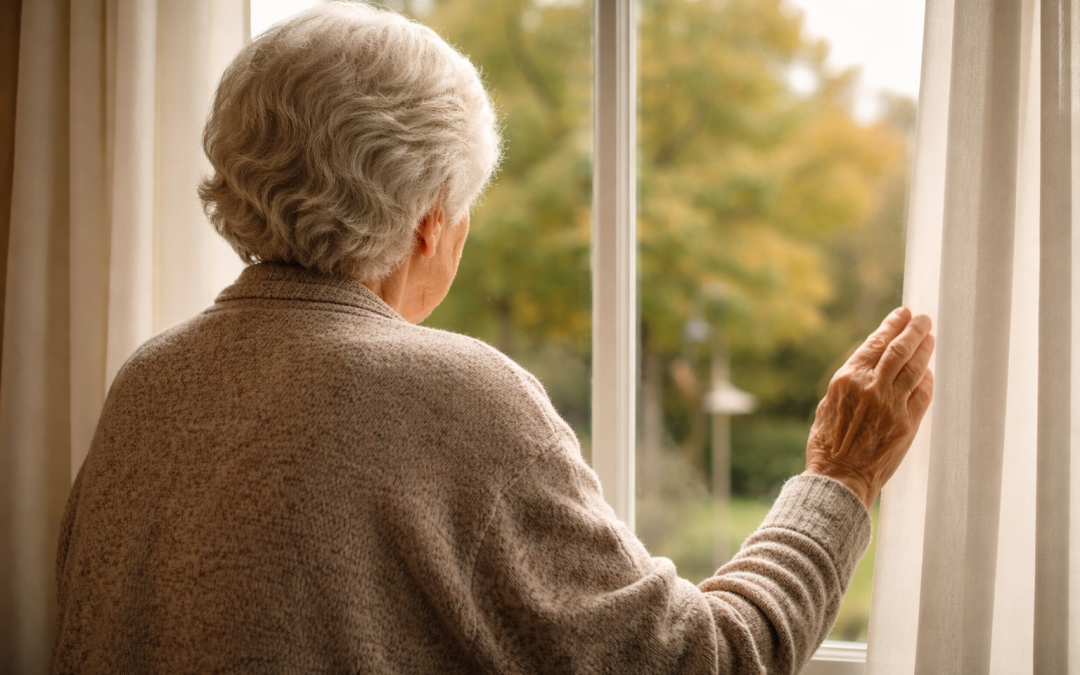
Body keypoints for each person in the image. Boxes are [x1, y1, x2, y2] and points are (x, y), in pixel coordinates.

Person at [51, 4, 935, 673]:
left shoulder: (149, 381)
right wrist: (839, 475)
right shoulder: (450, 395)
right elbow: (707, 659)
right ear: (432, 222)